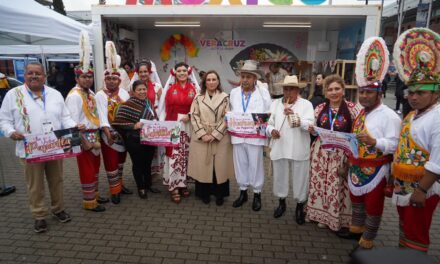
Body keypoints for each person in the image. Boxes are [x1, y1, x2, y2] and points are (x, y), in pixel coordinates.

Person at [336, 37, 401, 251]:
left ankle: (368, 238)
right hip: (356, 166)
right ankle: (356, 231)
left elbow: (395, 145)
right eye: (362, 92)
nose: (364, 96)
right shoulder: (360, 113)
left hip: (376, 169)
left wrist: (375, 141)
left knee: (373, 206)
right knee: (357, 202)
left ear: (379, 93)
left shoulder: (390, 116)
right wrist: (347, 162)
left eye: (369, 92)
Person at [0, 62, 77, 233]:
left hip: (55, 146)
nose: (34, 76)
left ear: (44, 76)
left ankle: (58, 209)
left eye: (37, 73)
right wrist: (11, 132)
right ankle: (39, 216)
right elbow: (4, 120)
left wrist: (74, 127)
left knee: (56, 181)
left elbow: (65, 117)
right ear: (25, 76)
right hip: (30, 148)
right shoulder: (14, 95)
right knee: (35, 185)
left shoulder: (55, 94)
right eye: (30, 73)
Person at [391, 27, 440, 252]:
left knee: (417, 235)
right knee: (405, 230)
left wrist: (422, 190)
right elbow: (401, 149)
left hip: (422, 188)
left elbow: (438, 160)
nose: (414, 97)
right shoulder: (412, 114)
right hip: (404, 185)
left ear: (436, 93)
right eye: (411, 92)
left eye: (421, 93)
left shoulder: (437, 117)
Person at [306, 75, 362, 231]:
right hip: (321, 153)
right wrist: (312, 130)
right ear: (325, 92)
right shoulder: (319, 108)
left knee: (337, 186)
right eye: (330, 89)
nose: (333, 92)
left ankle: (338, 218)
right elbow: (315, 129)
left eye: (337, 89)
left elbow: (357, 132)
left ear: (343, 90)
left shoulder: (353, 108)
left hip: (341, 153)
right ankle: (320, 215)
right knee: (320, 184)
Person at [65, 32, 106, 212]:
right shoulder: (74, 96)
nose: (87, 79)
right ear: (77, 78)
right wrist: (83, 141)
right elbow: (72, 122)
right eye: (83, 77)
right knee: (87, 170)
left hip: (94, 136)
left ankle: (94, 195)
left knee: (95, 168)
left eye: (90, 76)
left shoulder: (89, 94)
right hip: (84, 139)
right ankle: (89, 202)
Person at [266, 75, 314, 224]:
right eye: (286, 89)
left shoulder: (306, 104)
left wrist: (294, 116)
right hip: (280, 145)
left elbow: (309, 125)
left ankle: (300, 205)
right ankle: (281, 202)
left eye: (292, 89)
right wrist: (271, 130)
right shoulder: (274, 104)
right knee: (280, 175)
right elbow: (268, 123)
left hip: (299, 146)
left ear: (297, 90)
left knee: (300, 176)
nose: (288, 92)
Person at [230, 60, 272, 211]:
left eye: (249, 77)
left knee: (256, 166)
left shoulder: (263, 93)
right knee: (240, 164)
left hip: (255, 137)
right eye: (243, 76)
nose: (245, 79)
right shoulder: (234, 93)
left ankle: (257, 194)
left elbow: (269, 114)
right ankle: (243, 192)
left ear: (255, 78)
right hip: (238, 135)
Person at [188, 70, 234, 206]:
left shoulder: (225, 97)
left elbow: (227, 118)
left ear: (218, 81)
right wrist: (202, 134)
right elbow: (194, 116)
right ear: (204, 82)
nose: (211, 82)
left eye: (214, 79)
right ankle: (204, 194)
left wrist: (215, 134)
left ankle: (220, 195)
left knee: (219, 166)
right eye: (209, 80)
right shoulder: (198, 97)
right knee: (203, 165)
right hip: (202, 137)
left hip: (220, 137)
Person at [95, 42, 132, 204]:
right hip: (108, 134)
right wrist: (107, 131)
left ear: (119, 80)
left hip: (124, 133)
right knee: (111, 162)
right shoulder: (100, 95)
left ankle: (121, 183)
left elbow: (129, 113)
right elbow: (102, 115)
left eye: (114, 79)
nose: (111, 82)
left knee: (121, 161)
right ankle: (114, 191)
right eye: (108, 79)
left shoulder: (124, 93)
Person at [158, 62, 198, 203]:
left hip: (188, 127)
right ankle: (174, 186)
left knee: (186, 155)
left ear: (188, 72)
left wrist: (191, 115)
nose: (181, 73)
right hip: (174, 127)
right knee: (174, 155)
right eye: (179, 71)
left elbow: (199, 108)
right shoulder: (169, 89)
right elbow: (162, 108)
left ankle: (183, 184)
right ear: (174, 73)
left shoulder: (194, 89)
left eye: (184, 71)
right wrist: (163, 126)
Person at [113, 80, 157, 199]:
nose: (142, 92)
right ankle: (141, 187)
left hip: (149, 139)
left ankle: (148, 185)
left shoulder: (148, 102)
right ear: (133, 91)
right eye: (139, 90)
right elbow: (117, 122)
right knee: (138, 164)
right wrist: (133, 126)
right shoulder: (128, 104)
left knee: (147, 163)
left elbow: (154, 117)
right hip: (134, 140)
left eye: (144, 89)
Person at [135, 61, 163, 192]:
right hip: (139, 125)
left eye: (145, 71)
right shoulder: (133, 86)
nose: (143, 74)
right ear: (137, 73)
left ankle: (149, 181)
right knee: (139, 155)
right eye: (141, 72)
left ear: (150, 72)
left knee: (150, 154)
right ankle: (141, 185)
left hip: (153, 124)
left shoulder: (157, 86)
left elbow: (161, 105)